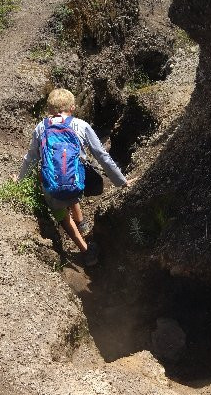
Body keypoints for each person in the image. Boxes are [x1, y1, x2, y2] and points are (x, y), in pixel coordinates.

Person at [16, 87, 131, 267]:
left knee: (60, 210)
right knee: (70, 171)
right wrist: (121, 181)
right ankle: (83, 228)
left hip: (51, 189)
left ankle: (86, 251)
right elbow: (102, 155)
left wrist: (19, 181)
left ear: (49, 110)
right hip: (77, 185)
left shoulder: (41, 127)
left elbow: (31, 158)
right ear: (72, 107)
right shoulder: (81, 125)